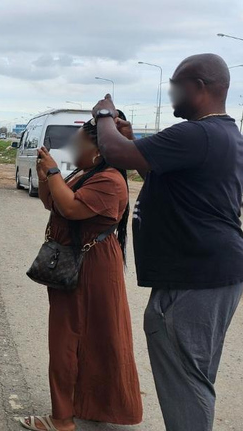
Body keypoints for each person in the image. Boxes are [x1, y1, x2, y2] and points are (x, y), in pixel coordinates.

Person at [92, 53, 243, 431]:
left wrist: (105, 116)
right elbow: (151, 168)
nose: (172, 92)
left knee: (187, 376)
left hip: (198, 275)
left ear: (200, 87)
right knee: (185, 368)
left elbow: (114, 152)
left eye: (176, 84)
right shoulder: (220, 134)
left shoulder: (198, 133)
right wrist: (133, 142)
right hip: (201, 272)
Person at [21, 116, 143, 431]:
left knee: (68, 339)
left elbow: (73, 209)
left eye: (79, 142)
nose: (71, 147)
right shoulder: (87, 172)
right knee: (86, 336)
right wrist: (46, 176)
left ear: (99, 151)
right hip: (81, 262)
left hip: (90, 267)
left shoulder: (110, 180)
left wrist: (52, 172)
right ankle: (87, 406)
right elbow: (55, 204)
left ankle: (62, 419)